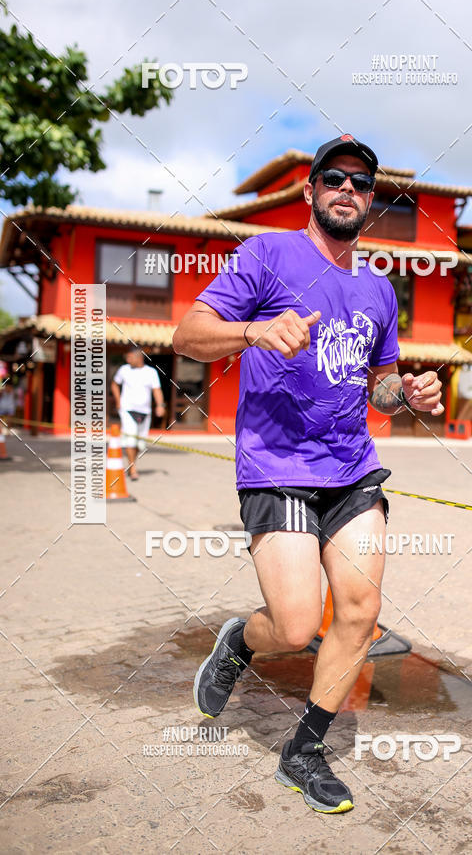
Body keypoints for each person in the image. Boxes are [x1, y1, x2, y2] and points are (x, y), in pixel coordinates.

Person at [173, 135, 444, 814]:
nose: (348, 189)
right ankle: (240, 640)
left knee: (359, 611)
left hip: (351, 469)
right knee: (295, 628)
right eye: (334, 178)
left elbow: (377, 390)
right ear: (311, 190)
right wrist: (252, 333)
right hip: (276, 466)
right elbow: (187, 335)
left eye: (362, 182)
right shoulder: (267, 254)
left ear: (371, 200)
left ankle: (303, 753)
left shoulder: (379, 288)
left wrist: (406, 394)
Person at [110, 346, 166, 479]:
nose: (127, 359)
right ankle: (133, 468)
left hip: (145, 412)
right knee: (130, 439)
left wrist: (160, 405)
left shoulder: (151, 372)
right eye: (127, 357)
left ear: (139, 357)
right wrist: (118, 400)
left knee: (140, 443)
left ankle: (132, 464)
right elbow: (114, 384)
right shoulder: (124, 370)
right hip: (127, 410)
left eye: (130, 357)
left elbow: (156, 390)